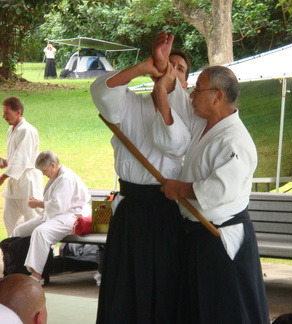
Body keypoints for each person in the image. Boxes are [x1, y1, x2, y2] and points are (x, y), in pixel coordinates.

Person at [90, 31, 193, 323]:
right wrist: (143, 68)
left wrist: (164, 91)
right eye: (166, 63)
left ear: (185, 84)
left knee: (163, 288)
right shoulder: (130, 105)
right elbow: (101, 92)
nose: (169, 69)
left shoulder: (187, 114)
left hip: (165, 211)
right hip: (130, 210)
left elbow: (173, 144)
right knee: (125, 288)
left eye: (179, 69)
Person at [157, 64, 269, 323]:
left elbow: (221, 188)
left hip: (221, 238)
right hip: (199, 235)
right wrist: (166, 74)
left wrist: (180, 188)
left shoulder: (235, 140)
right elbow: (179, 102)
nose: (192, 97)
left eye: (198, 90)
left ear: (217, 96)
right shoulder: (203, 123)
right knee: (197, 310)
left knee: (228, 310)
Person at [11, 150, 91, 285]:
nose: (44, 174)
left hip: (72, 216)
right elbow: (55, 203)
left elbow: (60, 206)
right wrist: (41, 203)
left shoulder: (66, 178)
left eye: (45, 170)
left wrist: (39, 203)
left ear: (53, 165)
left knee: (41, 232)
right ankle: (13, 266)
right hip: (55, 215)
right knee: (19, 231)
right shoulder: (58, 176)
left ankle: (37, 275)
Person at [1, 96, 43, 236]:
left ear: (18, 112)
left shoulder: (27, 130)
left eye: (7, 113)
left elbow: (22, 159)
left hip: (27, 181)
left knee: (31, 217)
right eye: (4, 112)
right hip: (14, 181)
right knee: (9, 218)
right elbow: (16, 157)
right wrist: (6, 162)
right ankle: (14, 251)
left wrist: (2, 177)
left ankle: (36, 251)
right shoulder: (12, 130)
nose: (4, 116)